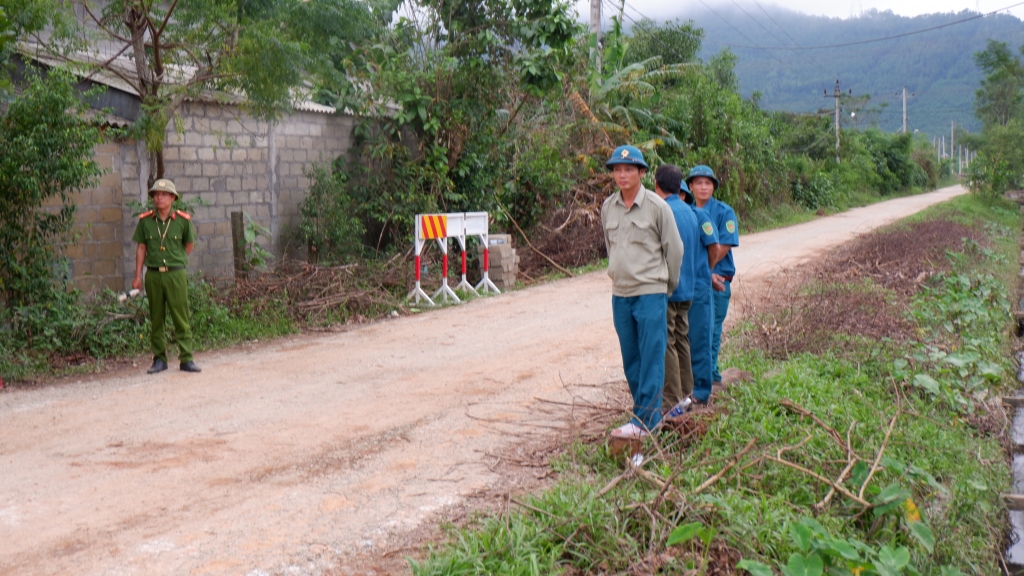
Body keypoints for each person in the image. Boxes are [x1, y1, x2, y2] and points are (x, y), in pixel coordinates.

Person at [601, 145, 684, 439]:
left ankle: (645, 423)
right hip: (621, 294)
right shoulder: (608, 207)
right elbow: (612, 249)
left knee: (651, 357)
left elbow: (674, 250)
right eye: (617, 170)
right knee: (631, 358)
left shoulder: (657, 207)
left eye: (628, 169)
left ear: (642, 173)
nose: (622, 175)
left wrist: (666, 286)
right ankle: (643, 415)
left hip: (650, 292)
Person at [132, 179, 202, 374]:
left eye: (163, 194)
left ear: (173, 197)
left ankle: (186, 358)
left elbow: (188, 245)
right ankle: (159, 359)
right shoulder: (145, 221)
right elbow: (141, 248)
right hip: (153, 275)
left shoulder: (182, 221)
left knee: (180, 316)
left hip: (175, 275)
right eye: (156, 194)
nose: (159, 197)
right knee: (156, 318)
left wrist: (176, 260)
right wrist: (138, 276)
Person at [685, 165, 738, 389]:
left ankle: (712, 375)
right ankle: (695, 377)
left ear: (714, 187)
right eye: (698, 183)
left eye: (708, 183)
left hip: (717, 280)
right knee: (693, 331)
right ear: (690, 186)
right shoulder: (685, 210)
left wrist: (706, 271)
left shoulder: (724, 212)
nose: (703, 187)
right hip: (695, 281)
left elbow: (723, 245)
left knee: (712, 330)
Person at [651, 165, 697, 417]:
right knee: (682, 338)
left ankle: (672, 401)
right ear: (681, 187)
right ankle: (688, 394)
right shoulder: (690, 212)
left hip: (670, 287)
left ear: (656, 184)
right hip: (688, 288)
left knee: (667, 341)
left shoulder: (663, 211)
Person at [679, 179, 725, 407]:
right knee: (679, 340)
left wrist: (705, 271)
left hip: (697, 286)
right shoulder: (663, 216)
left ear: (684, 195)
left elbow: (715, 247)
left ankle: (701, 392)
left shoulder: (699, 216)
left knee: (699, 338)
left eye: (678, 194)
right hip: (675, 287)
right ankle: (682, 390)